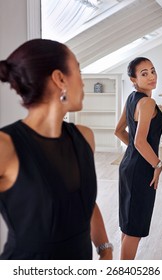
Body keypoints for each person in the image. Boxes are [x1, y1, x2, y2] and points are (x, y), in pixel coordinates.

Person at [0, 38, 113, 260]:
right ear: (60, 79)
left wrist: (105, 249)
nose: (82, 83)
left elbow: (83, 204)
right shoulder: (5, 145)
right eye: (78, 71)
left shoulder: (84, 137)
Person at [114, 57, 162, 260]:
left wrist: (135, 152)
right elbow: (140, 141)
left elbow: (118, 131)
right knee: (134, 229)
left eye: (152, 71)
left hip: (128, 167)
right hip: (141, 172)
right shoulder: (147, 102)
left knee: (129, 225)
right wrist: (157, 164)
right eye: (144, 73)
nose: (151, 76)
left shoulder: (131, 98)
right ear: (133, 79)